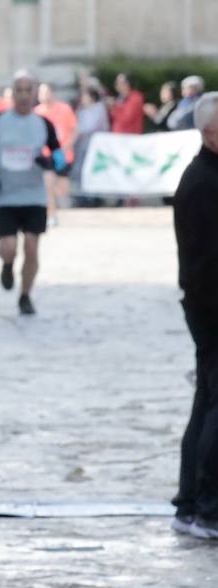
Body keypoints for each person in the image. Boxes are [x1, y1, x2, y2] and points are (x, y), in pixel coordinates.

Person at [0, 71, 69, 316]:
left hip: (35, 196)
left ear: (35, 94)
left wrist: (51, 162)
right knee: (8, 247)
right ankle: (7, 264)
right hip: (6, 195)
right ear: (12, 93)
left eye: (29, 90)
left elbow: (58, 154)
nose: (24, 95)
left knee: (31, 246)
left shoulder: (42, 123)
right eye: (20, 90)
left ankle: (25, 296)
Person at [170, 93, 218, 540]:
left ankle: (189, 504)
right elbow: (207, 262)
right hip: (211, 307)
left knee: (206, 402)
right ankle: (206, 507)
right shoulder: (203, 182)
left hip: (204, 305)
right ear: (209, 133)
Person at [35, 82, 77, 225]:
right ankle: (51, 215)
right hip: (45, 155)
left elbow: (75, 130)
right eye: (41, 93)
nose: (43, 96)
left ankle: (56, 202)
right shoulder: (36, 112)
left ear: (52, 93)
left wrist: (68, 146)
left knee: (63, 190)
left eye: (46, 92)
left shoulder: (64, 109)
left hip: (62, 154)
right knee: (48, 186)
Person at [72, 85, 110, 207]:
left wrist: (77, 129)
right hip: (83, 145)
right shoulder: (82, 111)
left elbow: (90, 127)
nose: (82, 98)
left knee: (95, 170)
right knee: (81, 170)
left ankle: (95, 197)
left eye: (85, 95)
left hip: (96, 146)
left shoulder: (99, 109)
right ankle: (83, 196)